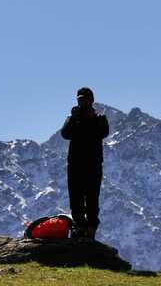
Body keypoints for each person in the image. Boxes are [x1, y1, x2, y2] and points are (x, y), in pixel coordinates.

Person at [60, 87, 109, 239]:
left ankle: (91, 228)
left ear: (91, 100)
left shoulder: (100, 119)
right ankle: (79, 226)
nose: (82, 102)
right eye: (80, 100)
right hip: (75, 165)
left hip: (93, 165)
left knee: (92, 198)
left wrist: (92, 118)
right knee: (76, 197)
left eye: (85, 99)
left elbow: (104, 132)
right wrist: (74, 118)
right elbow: (65, 134)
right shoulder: (74, 119)